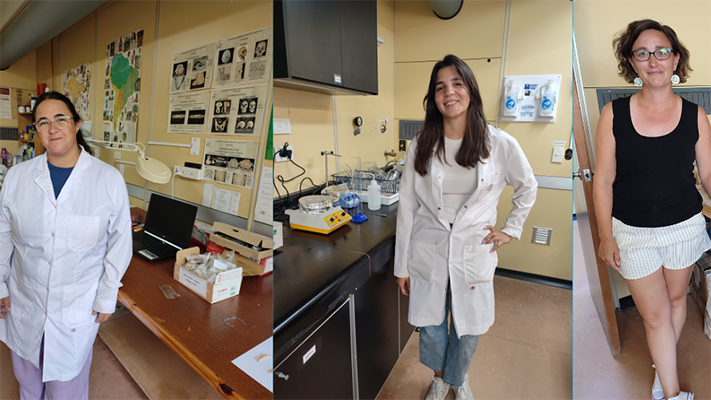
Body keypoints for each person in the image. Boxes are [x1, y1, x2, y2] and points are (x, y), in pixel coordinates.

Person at [394, 55, 537, 400]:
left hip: (474, 249)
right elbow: (408, 207)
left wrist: (511, 229)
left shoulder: (499, 143)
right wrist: (401, 266)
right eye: (440, 87)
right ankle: (441, 378)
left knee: (467, 326)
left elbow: (527, 186)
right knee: (431, 327)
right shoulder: (420, 145)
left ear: (470, 91)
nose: (450, 92)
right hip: (427, 250)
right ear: (433, 98)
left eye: (457, 83)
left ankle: (459, 379)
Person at [593, 20, 710, 400]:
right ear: (632, 62)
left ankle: (663, 371)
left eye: (662, 51)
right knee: (655, 316)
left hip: (684, 226)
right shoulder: (613, 113)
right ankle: (672, 394)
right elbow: (604, 178)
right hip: (632, 232)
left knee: (676, 302)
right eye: (642, 53)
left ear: (676, 59)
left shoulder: (696, 116)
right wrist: (606, 235)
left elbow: (707, 172)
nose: (653, 60)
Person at [0, 91, 132, 399]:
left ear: (76, 124)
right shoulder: (18, 178)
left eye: (61, 119)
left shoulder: (107, 180)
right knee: (28, 381)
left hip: (76, 308)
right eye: (43, 122)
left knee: (65, 389)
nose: (52, 128)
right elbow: (2, 234)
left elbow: (120, 241)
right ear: (36, 131)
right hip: (23, 300)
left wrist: (107, 293)